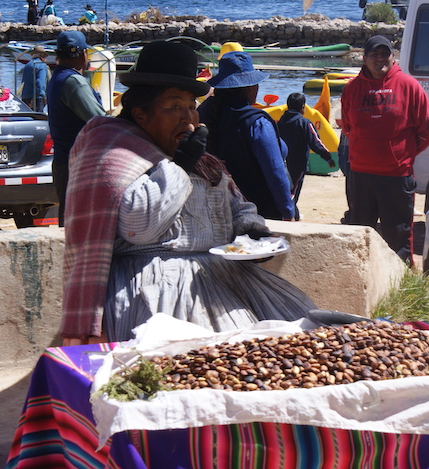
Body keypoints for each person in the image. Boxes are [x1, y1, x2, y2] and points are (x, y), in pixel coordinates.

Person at [60, 40, 316, 345]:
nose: (188, 118)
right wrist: (179, 165)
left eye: (192, 106)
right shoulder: (112, 150)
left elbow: (234, 203)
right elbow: (139, 226)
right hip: (157, 291)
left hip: (225, 280)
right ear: (140, 113)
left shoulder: (197, 159)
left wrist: (252, 232)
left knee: (300, 339)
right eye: (174, 106)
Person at [340, 35, 429, 263]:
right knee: (360, 234)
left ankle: (401, 288)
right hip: (361, 175)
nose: (380, 59)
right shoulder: (352, 89)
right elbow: (348, 126)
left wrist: (403, 153)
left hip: (396, 176)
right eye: (374, 54)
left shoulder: (410, 86)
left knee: (398, 238)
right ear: (364, 59)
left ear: (393, 58)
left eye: (385, 54)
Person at [198, 51, 295, 221]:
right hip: (257, 213)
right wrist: (288, 211)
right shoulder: (257, 123)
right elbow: (275, 173)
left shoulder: (203, 113)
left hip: (213, 210)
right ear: (250, 87)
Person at [46, 30, 105, 226]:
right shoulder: (74, 82)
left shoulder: (57, 78)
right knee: (81, 223)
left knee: (69, 220)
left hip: (63, 161)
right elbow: (100, 121)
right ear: (83, 55)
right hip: (78, 164)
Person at [277, 92, 335, 221]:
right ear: (303, 107)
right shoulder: (304, 123)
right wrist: (328, 157)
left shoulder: (280, 122)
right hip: (298, 164)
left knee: (287, 188)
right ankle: (289, 216)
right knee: (293, 192)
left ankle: (294, 214)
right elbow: (315, 142)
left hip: (281, 162)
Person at [20, 45, 49, 112]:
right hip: (36, 99)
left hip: (25, 97)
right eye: (45, 57)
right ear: (42, 56)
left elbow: (23, 82)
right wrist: (35, 99)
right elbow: (40, 83)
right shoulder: (42, 65)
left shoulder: (27, 65)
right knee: (39, 120)